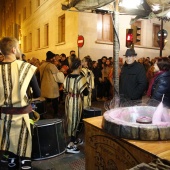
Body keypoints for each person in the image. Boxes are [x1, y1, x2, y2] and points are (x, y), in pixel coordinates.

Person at [0, 37, 41, 170]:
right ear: (13, 49)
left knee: (9, 148)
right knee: (24, 151)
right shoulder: (26, 67)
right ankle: (24, 162)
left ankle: (11, 159)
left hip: (4, 118)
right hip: (23, 117)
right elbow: (38, 93)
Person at [64, 57, 88, 153]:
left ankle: (75, 139)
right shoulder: (80, 78)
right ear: (79, 66)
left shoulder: (67, 77)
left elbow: (65, 90)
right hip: (76, 100)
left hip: (68, 99)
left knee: (70, 120)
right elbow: (85, 92)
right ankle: (71, 144)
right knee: (75, 120)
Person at [39, 51, 64, 118]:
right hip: (52, 87)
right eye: (54, 58)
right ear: (51, 58)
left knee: (45, 101)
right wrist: (61, 72)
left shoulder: (42, 65)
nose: (55, 59)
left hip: (44, 86)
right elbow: (58, 78)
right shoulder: (51, 66)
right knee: (55, 101)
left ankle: (43, 113)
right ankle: (55, 113)